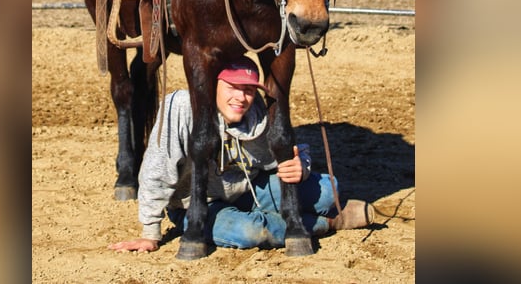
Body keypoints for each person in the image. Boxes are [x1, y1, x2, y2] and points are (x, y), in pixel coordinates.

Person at [109, 56, 374, 253]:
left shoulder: (258, 115)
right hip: (197, 203)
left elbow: (294, 149)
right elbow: (156, 171)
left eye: (248, 89)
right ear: (213, 85)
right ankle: (326, 223)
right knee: (250, 232)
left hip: (249, 189)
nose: (241, 98)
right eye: (232, 87)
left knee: (331, 189)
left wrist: (300, 166)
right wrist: (150, 232)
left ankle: (294, 218)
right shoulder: (180, 108)